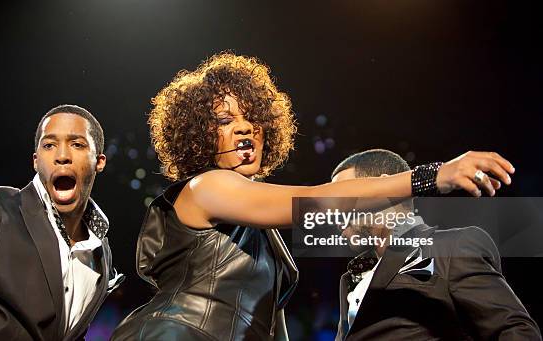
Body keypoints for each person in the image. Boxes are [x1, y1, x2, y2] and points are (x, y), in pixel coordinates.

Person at [111, 52, 514, 341]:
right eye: (224, 120)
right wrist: (430, 176)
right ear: (199, 134)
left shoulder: (256, 226)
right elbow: (316, 199)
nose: (245, 129)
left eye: (254, 119)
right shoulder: (206, 186)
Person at [0, 105, 123, 340]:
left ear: (99, 161)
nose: (62, 155)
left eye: (77, 144)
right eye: (49, 145)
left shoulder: (101, 252)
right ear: (36, 160)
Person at [331, 149, 541, 340]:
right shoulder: (349, 280)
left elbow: (517, 331)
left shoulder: (450, 249)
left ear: (385, 190)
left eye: (344, 197)